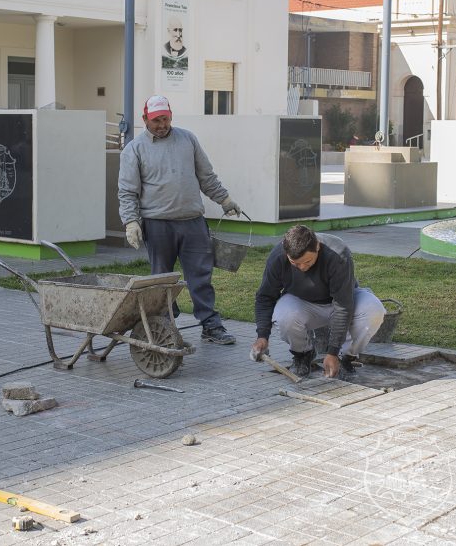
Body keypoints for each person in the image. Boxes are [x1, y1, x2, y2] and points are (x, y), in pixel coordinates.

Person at [118, 95, 241, 345]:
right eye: (156, 121)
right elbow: (128, 191)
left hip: (192, 221)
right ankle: (165, 326)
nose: (162, 125)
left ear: (171, 116)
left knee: (201, 276)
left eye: (165, 119)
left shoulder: (188, 139)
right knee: (162, 279)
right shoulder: (134, 149)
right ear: (145, 119)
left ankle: (210, 325)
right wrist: (131, 222)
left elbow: (206, 176)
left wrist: (225, 200)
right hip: (157, 224)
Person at [250, 225, 385, 379]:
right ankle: (303, 355)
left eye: (307, 261)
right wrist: (262, 336)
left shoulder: (338, 254)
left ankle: (346, 358)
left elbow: (343, 306)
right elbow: (265, 297)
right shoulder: (278, 257)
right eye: (295, 263)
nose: (302, 268)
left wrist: (333, 352)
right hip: (303, 303)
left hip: (343, 301)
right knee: (284, 315)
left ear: (317, 247)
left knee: (374, 310)